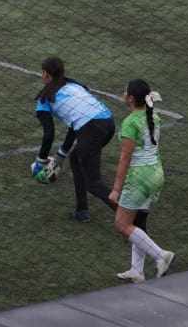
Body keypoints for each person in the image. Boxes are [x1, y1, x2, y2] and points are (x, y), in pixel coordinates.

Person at [34, 56, 117, 222]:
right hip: (108, 124)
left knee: (93, 182)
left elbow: (49, 134)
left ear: (45, 73)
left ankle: (128, 214)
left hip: (91, 129)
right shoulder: (75, 86)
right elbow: (75, 124)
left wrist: (40, 162)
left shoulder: (44, 99)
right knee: (76, 159)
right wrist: (61, 155)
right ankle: (82, 210)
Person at [108, 79, 175, 282]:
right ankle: (137, 270)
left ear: (131, 98)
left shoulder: (130, 122)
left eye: (125, 91)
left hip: (139, 178)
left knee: (121, 224)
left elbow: (125, 159)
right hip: (155, 173)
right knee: (137, 222)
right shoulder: (153, 115)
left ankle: (161, 255)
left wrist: (116, 189)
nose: (123, 92)